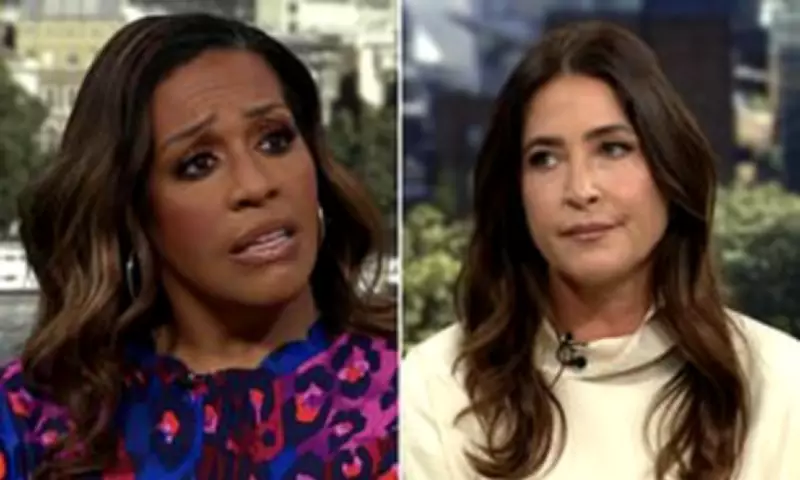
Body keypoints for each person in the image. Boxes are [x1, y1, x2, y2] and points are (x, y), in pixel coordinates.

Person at [0, 13, 397, 479]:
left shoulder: (409, 393)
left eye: (275, 140)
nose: (255, 185)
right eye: (198, 163)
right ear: (132, 208)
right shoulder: (36, 419)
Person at [401, 21, 800, 480]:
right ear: (516, 192)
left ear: (669, 169)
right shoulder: (434, 388)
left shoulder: (779, 385)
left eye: (612, 149)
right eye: (545, 159)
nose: (580, 189)